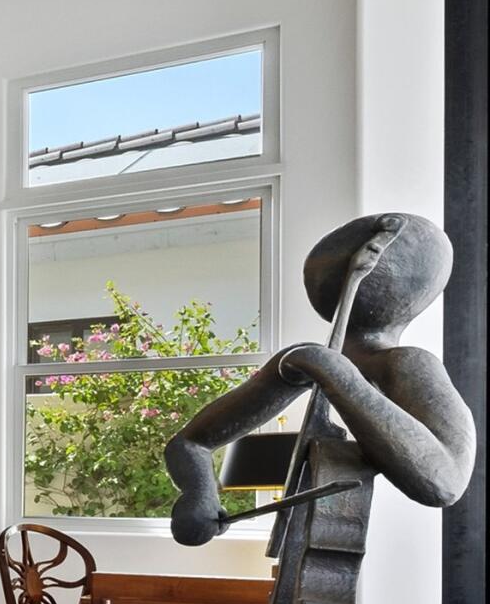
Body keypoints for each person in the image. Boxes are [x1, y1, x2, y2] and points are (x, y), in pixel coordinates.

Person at [164, 213, 475, 546]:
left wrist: (337, 374)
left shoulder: (406, 363)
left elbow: (444, 481)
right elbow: (190, 443)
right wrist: (199, 492)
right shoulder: (302, 358)